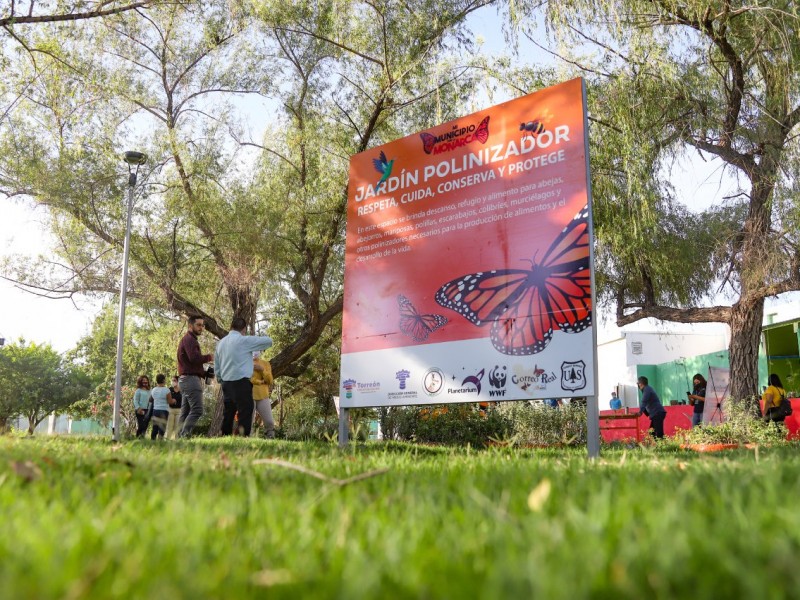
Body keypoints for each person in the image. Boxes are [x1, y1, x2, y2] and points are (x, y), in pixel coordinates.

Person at [214, 317, 273, 437]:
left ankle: (225, 435)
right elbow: (269, 341)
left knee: (228, 411)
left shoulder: (220, 344)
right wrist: (254, 341)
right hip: (241, 381)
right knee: (245, 409)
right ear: (244, 329)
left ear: (231, 327)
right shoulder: (244, 340)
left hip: (226, 382)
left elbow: (217, 366)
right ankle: (243, 436)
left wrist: (221, 379)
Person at [177, 315, 214, 438]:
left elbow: (192, 364)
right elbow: (194, 358)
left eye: (202, 325)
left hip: (186, 379)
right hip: (190, 380)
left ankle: (178, 439)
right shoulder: (190, 339)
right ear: (190, 326)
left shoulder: (190, 339)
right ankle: (184, 435)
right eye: (198, 325)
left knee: (185, 412)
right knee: (197, 410)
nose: (201, 328)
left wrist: (205, 374)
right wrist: (209, 357)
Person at [251, 351, 275, 439]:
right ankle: (246, 440)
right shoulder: (245, 363)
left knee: (269, 421)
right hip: (249, 396)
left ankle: (270, 439)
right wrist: (261, 381)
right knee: (248, 421)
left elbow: (270, 381)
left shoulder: (266, 364)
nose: (255, 351)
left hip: (263, 396)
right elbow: (249, 379)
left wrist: (262, 370)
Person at [149, 374, 172, 440]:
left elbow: (150, 400)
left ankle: (152, 441)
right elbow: (170, 401)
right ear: (164, 380)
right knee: (162, 428)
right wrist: (174, 400)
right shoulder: (166, 390)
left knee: (155, 427)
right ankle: (160, 442)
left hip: (155, 410)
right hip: (164, 411)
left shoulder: (153, 390)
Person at [166, 376, 182, 440]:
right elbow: (167, 399)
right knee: (169, 426)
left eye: (174, 380)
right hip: (171, 410)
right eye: (172, 380)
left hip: (179, 410)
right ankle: (167, 439)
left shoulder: (182, 390)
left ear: (178, 381)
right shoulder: (170, 389)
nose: (173, 382)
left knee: (177, 427)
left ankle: (177, 440)